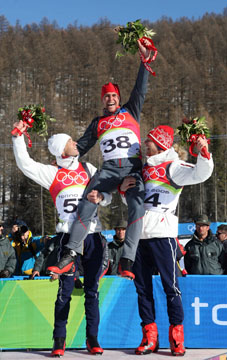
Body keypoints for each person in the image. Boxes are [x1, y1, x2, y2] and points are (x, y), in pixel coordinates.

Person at [48, 39, 154, 280]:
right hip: (107, 171)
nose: (110, 99)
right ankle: (70, 254)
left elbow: (141, 88)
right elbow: (81, 146)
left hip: (131, 168)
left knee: (138, 206)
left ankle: (127, 259)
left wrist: (144, 62)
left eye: (113, 95)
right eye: (106, 96)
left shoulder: (131, 110)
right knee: (88, 199)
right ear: (102, 100)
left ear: (118, 97)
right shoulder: (98, 122)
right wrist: (61, 156)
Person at [12, 125, 112, 356]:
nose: (75, 143)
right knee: (64, 291)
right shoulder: (52, 172)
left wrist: (102, 197)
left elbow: (107, 194)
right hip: (67, 237)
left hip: (93, 236)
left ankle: (93, 338)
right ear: (61, 149)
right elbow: (25, 164)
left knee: (92, 290)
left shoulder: (88, 168)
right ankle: (59, 340)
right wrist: (17, 138)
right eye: (70, 142)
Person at [120, 125, 214, 356]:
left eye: (149, 141)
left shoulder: (172, 166)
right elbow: (132, 204)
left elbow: (200, 174)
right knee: (142, 289)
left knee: (171, 287)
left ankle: (176, 337)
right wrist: (123, 191)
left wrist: (203, 152)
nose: (145, 144)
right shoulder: (142, 170)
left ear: (160, 143)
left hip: (163, 236)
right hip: (139, 236)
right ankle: (149, 337)